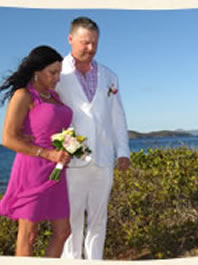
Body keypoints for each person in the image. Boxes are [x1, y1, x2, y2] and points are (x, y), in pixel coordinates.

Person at [56, 17, 130, 260]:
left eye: (94, 43)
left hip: (103, 158)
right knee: (71, 221)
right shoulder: (58, 73)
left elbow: (117, 116)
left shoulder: (110, 76)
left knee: (99, 220)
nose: (90, 48)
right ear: (70, 39)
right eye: (84, 42)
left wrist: (123, 152)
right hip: (72, 160)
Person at [0, 45, 73, 257]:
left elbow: (53, 127)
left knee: (64, 231)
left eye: (59, 72)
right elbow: (8, 139)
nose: (57, 77)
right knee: (29, 235)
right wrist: (46, 153)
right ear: (37, 71)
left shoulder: (55, 97)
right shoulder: (23, 95)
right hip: (33, 169)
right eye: (52, 72)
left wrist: (70, 144)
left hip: (58, 169)